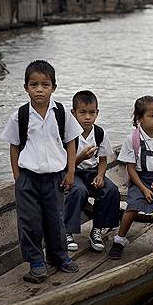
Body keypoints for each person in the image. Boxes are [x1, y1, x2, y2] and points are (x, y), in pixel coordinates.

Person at [0, 60, 84, 282]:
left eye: (45, 84)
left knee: (56, 219)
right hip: (28, 178)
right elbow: (14, 147)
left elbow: (70, 142)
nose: (39, 89)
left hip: (55, 177)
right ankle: (36, 261)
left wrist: (70, 172)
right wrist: (18, 178)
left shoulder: (62, 113)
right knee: (30, 221)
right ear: (26, 87)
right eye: (34, 84)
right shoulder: (20, 115)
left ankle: (59, 256)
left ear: (53, 87)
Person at [110, 96, 153, 260]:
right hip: (141, 180)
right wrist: (144, 189)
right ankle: (120, 239)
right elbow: (130, 168)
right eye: (152, 115)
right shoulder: (133, 139)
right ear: (139, 118)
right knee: (132, 206)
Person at [63, 90, 120, 253]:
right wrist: (80, 157)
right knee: (78, 190)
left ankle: (98, 229)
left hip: (92, 172)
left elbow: (103, 160)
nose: (87, 117)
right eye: (83, 112)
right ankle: (67, 232)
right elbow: (66, 165)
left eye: (92, 113)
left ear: (97, 113)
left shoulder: (99, 133)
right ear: (73, 113)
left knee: (111, 190)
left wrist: (101, 175)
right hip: (73, 171)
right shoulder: (69, 134)